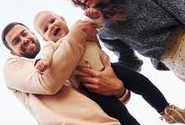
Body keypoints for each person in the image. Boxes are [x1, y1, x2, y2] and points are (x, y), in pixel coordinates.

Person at [33, 10, 185, 124]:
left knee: (142, 82)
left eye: (52, 21)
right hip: (89, 87)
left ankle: (166, 110)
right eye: (45, 29)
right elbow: (45, 53)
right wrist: (42, 61)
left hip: (110, 68)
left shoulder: (79, 28)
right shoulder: (52, 45)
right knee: (119, 112)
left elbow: (97, 24)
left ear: (62, 19)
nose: (51, 27)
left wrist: (95, 16)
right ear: (44, 38)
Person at [57, 0, 185, 81]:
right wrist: (108, 70)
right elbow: (131, 62)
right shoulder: (103, 30)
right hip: (178, 67)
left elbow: (175, 1)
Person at [2, 21, 124, 125]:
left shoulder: (60, 56)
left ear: (33, 34)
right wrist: (77, 34)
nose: (23, 40)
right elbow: (48, 83)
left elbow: (97, 94)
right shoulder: (11, 66)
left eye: (24, 34)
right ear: (13, 52)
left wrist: (120, 91)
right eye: (16, 41)